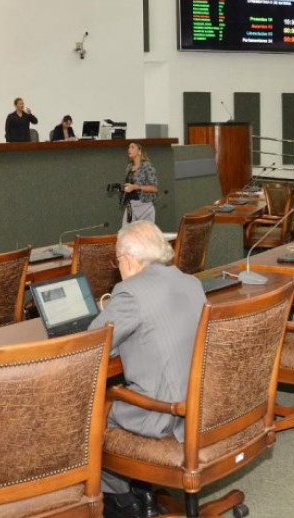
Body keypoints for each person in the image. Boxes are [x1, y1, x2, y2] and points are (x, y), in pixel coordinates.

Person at [88, 221, 206, 518]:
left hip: (165, 415)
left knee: (96, 407)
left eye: (118, 261)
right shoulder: (191, 282)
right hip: (204, 405)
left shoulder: (130, 293)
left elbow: (93, 347)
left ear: (128, 259)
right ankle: (142, 488)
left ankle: (120, 500)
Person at [121, 142, 159, 227]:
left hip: (144, 205)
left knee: (145, 236)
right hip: (130, 205)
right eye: (128, 147)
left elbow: (154, 188)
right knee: (126, 233)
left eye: (132, 147)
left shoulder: (147, 166)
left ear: (139, 151)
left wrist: (135, 187)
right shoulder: (129, 167)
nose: (129, 150)